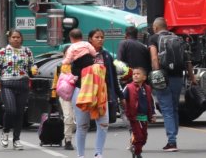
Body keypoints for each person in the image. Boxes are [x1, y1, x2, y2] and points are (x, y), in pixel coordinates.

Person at [67, 29, 117, 158]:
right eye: (97, 37)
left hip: (101, 93)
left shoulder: (106, 55)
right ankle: (81, 155)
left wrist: (117, 95)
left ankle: (98, 153)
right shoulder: (78, 53)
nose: (100, 39)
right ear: (90, 39)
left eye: (102, 37)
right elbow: (72, 71)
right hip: (82, 92)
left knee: (103, 124)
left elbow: (111, 77)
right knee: (83, 125)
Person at [149, 17, 196, 153]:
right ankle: (173, 135)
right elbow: (187, 60)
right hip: (177, 77)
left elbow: (154, 57)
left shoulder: (154, 39)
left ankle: (172, 141)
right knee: (174, 108)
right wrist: (192, 78)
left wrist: (157, 74)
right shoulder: (178, 38)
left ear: (156, 27)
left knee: (166, 109)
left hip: (164, 76)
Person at [0, 29, 37, 150]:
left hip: (23, 84)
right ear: (9, 39)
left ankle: (17, 139)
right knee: (11, 110)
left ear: (21, 38)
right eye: (13, 37)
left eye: (18, 37)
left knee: (19, 113)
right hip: (7, 84)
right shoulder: (3, 52)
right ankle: (5, 131)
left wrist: (34, 68)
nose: (16, 39)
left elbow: (32, 64)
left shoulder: (27, 51)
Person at [117, 25, 153, 122]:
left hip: (129, 80)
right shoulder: (143, 46)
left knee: (127, 103)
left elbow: (119, 63)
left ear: (126, 35)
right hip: (142, 79)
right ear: (137, 35)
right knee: (141, 101)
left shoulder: (123, 43)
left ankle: (133, 123)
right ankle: (142, 120)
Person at [58, 28, 84, 151]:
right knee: (68, 117)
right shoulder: (61, 66)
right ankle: (68, 140)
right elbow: (56, 82)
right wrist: (52, 96)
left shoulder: (79, 64)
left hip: (77, 93)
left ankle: (77, 139)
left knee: (77, 119)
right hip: (64, 96)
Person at [122, 67, 152, 158]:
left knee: (144, 137)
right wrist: (127, 108)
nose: (135, 75)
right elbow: (122, 98)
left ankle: (135, 147)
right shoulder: (129, 87)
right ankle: (137, 152)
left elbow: (151, 102)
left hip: (144, 116)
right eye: (134, 74)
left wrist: (153, 114)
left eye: (138, 74)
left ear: (144, 77)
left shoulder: (147, 88)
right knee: (138, 136)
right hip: (134, 117)